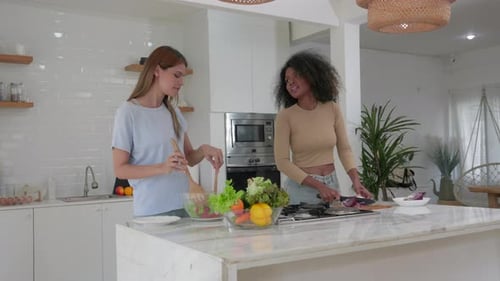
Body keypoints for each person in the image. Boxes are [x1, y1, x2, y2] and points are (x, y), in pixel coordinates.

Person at [112, 46, 224, 217]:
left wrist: (203, 150)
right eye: (176, 75)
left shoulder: (174, 112)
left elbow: (188, 159)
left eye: (183, 77)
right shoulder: (128, 112)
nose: (181, 81)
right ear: (157, 71)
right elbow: (120, 169)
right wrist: (162, 167)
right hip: (152, 213)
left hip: (186, 209)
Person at [273, 50, 373, 204]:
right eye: (287, 80)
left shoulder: (332, 108)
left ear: (312, 76)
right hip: (301, 190)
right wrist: (319, 186)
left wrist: (356, 182)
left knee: (333, 228)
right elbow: (282, 162)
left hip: (332, 185)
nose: (290, 83)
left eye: (295, 77)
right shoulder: (285, 116)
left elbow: (344, 149)